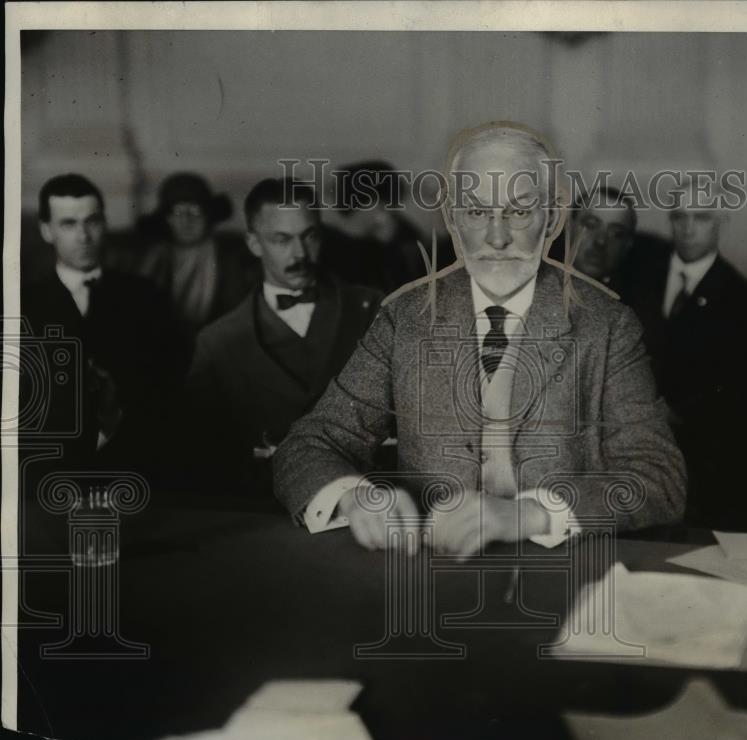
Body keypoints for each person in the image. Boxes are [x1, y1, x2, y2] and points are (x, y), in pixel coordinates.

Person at [274, 122, 686, 554]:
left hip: (561, 578)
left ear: (551, 221)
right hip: (429, 576)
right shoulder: (405, 318)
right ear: (452, 220)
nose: (496, 237)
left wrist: (531, 514)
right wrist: (355, 496)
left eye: (519, 211)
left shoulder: (607, 325)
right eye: (476, 212)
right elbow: (309, 443)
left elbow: (660, 477)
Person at [179, 178, 383, 499]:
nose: (300, 253)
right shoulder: (217, 343)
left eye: (310, 236)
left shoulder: (374, 311)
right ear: (254, 244)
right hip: (264, 514)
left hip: (369, 501)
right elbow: (200, 457)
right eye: (281, 240)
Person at [617, 176, 747, 530]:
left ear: (722, 223)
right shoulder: (641, 275)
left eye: (700, 218)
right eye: (679, 217)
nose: (687, 228)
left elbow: (731, 388)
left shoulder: (740, 300)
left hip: (697, 449)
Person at [20, 174, 186, 484]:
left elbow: (167, 391)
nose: (84, 236)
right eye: (69, 224)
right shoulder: (22, 305)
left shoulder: (145, 296)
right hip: (50, 474)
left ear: (104, 223)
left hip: (135, 468)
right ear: (46, 230)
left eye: (92, 221)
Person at [133, 173, 259, 333]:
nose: (186, 220)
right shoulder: (156, 255)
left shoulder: (229, 257)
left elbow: (237, 314)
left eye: (195, 211)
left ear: (208, 217)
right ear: (167, 219)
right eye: (178, 212)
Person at [320, 160, 437, 293]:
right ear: (374, 203)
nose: (391, 212)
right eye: (388, 203)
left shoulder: (324, 240)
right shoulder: (377, 250)